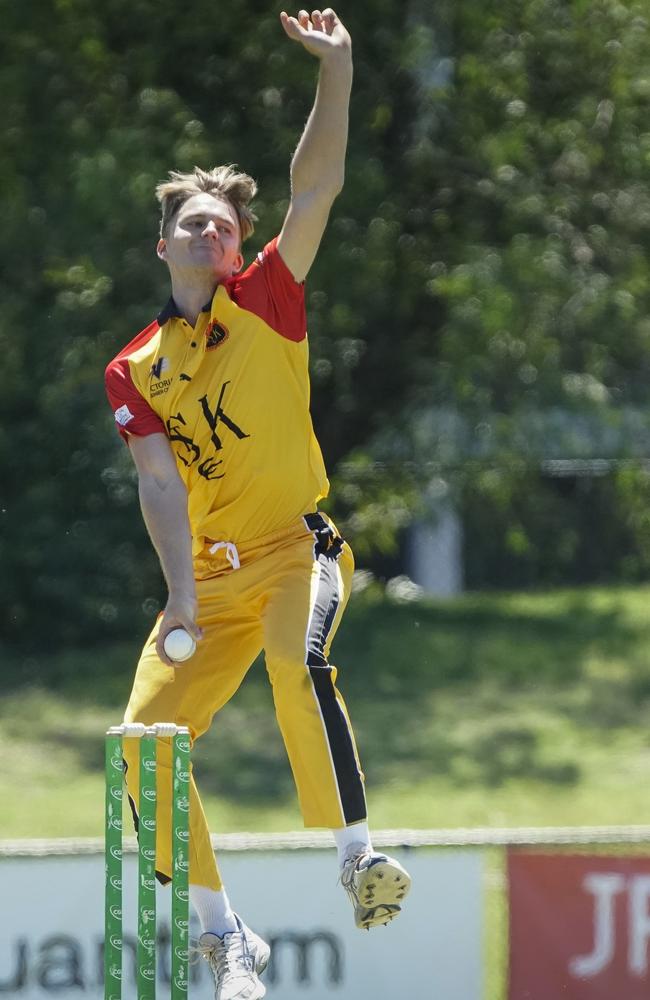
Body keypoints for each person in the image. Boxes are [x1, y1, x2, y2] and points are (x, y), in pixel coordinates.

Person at [104, 9, 411, 999]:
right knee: (138, 754)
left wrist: (338, 66)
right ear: (163, 247)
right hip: (208, 578)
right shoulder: (134, 370)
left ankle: (356, 854)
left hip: (294, 550)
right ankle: (223, 934)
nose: (210, 232)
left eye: (224, 225)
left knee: (300, 659)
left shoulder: (268, 299)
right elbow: (157, 482)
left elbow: (314, 184)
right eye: (192, 222)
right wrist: (181, 598)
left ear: (238, 250)